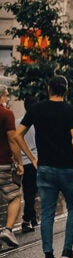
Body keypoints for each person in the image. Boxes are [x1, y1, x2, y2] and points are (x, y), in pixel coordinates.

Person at [15, 75, 73, 258]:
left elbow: (18, 134)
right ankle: (67, 251)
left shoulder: (37, 109)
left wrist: (32, 157)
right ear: (66, 90)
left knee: (46, 213)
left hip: (44, 168)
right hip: (68, 168)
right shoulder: (71, 110)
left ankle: (48, 257)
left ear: (48, 88)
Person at [0, 87, 23, 248]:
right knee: (15, 195)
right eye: (7, 95)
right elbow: (13, 140)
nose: (8, 98)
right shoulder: (6, 114)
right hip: (3, 165)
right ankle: (8, 229)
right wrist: (19, 162)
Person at [18, 96, 39, 233]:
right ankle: (27, 218)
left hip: (23, 162)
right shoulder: (38, 123)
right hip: (36, 161)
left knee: (28, 191)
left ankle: (32, 217)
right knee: (33, 191)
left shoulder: (17, 122)